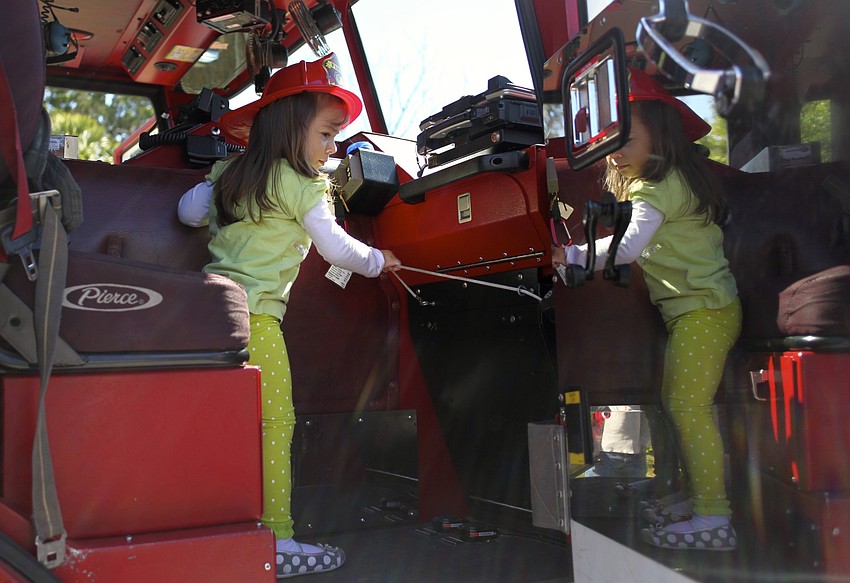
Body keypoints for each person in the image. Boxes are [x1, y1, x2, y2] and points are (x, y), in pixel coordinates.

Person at [178, 54, 401, 577]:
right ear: (291, 126)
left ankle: (220, 526)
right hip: (257, 322)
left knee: (226, 425)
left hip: (210, 317)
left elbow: (186, 213)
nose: (331, 149)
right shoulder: (303, 185)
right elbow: (337, 249)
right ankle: (276, 539)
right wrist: (378, 262)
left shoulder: (229, 173)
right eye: (326, 135)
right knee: (276, 425)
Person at [553, 68, 741, 551]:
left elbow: (628, 247)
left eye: (626, 139)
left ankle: (715, 517)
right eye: (610, 139)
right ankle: (694, 497)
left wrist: (571, 256)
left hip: (704, 312)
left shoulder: (657, 187)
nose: (615, 150)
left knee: (687, 407)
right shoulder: (665, 181)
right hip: (697, 312)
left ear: (661, 138)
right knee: (672, 404)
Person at [583, 406, 650, 478]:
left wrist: (644, 442)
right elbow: (589, 420)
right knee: (596, 487)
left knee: (635, 487)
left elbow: (647, 418)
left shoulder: (637, 397)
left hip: (635, 456)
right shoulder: (601, 397)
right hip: (603, 456)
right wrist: (593, 451)